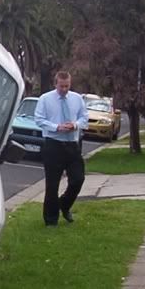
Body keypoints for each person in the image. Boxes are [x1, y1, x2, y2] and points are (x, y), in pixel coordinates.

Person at [34, 71, 89, 227]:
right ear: (55, 84)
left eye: (67, 86)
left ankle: (64, 204)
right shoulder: (45, 99)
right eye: (61, 86)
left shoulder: (77, 99)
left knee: (78, 179)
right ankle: (51, 220)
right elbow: (39, 119)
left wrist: (75, 125)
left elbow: (84, 118)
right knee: (52, 185)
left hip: (72, 145)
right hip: (53, 144)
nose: (64, 89)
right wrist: (56, 127)